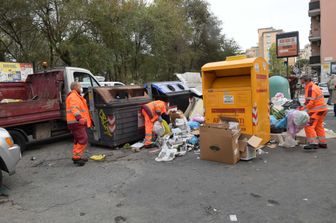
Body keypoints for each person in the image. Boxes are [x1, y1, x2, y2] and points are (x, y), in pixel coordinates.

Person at [66, 82, 93, 166]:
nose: (81, 88)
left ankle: (77, 156)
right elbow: (74, 108)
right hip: (76, 122)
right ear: (75, 87)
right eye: (80, 86)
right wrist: (79, 118)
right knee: (83, 139)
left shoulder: (76, 96)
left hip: (76, 122)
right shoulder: (73, 97)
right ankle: (76, 157)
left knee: (78, 140)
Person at [299, 75, 328, 150]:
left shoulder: (310, 88)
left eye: (301, 80)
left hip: (316, 110)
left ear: (305, 80)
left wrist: (301, 108)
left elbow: (309, 102)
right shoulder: (314, 86)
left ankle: (313, 143)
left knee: (308, 125)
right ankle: (322, 143)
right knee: (319, 126)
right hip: (322, 110)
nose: (300, 81)